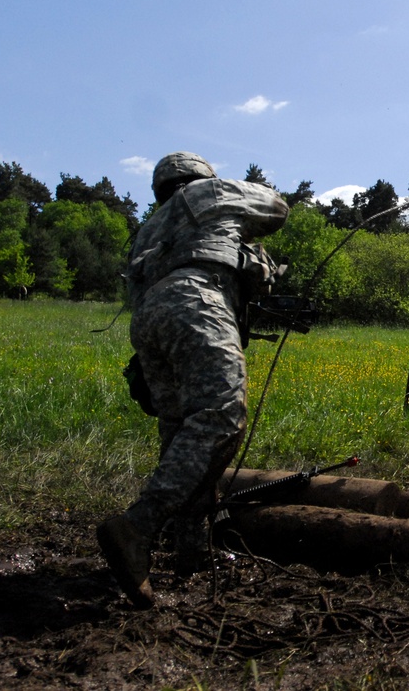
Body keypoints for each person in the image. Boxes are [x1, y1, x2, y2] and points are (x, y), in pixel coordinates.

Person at [96, 152, 289, 608]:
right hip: (196, 301)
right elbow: (277, 208)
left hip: (149, 322)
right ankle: (137, 527)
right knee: (222, 415)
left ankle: (192, 549)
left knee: (182, 429)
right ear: (199, 178)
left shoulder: (151, 229)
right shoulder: (207, 194)